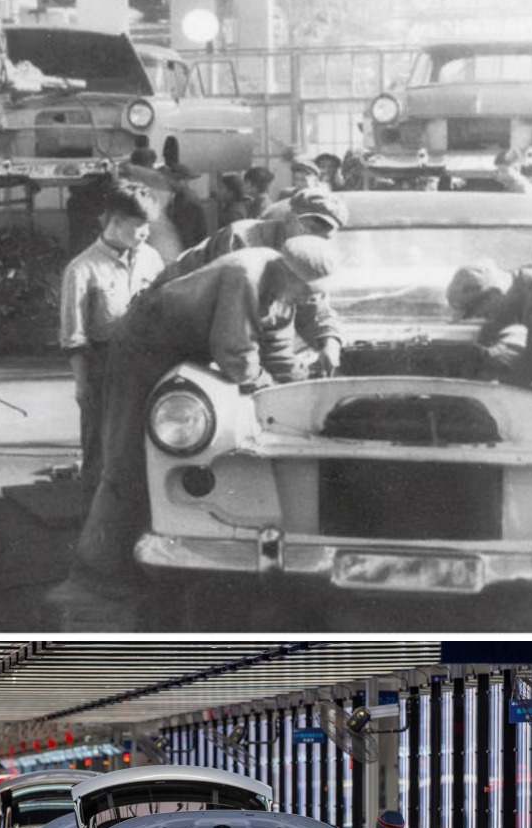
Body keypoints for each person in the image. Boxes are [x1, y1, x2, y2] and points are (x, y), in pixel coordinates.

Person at [68, 236, 338, 591]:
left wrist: (300, 385)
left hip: (181, 350)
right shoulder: (246, 277)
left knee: (159, 459)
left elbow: (277, 349)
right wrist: (270, 384)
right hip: (142, 347)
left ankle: (133, 556)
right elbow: (235, 354)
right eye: (307, 290)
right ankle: (97, 569)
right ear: (289, 274)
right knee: (127, 459)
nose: (309, 298)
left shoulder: (282, 283)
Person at [153, 186, 349, 376]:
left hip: (218, 335)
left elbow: (311, 305)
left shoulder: (311, 257)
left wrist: (329, 342)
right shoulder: (243, 239)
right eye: (311, 227)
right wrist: (265, 375)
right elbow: (233, 325)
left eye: (325, 236)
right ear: (290, 216)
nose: (315, 238)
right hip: (167, 327)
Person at [59, 180, 163, 499]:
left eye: (148, 225)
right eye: (139, 225)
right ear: (115, 222)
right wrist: (82, 383)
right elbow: (73, 335)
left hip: (146, 362)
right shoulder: (82, 269)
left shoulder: (151, 258)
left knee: (145, 439)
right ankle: (95, 516)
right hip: (102, 366)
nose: (145, 232)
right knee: (100, 445)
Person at [163, 164, 209, 249]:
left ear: (183, 181)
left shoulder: (186, 200)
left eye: (173, 180)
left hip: (187, 246)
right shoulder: (179, 197)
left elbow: (188, 229)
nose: (170, 183)